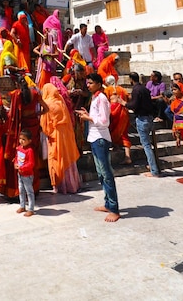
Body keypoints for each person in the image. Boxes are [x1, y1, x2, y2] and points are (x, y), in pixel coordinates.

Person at [75, 73, 120, 222]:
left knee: (106, 174)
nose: (88, 85)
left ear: (99, 84)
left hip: (101, 139)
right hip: (95, 138)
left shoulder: (101, 98)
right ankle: (108, 203)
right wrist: (88, 114)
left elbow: (105, 121)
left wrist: (89, 118)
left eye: (91, 83)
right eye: (87, 83)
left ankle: (114, 208)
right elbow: (97, 117)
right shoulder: (95, 97)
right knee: (101, 173)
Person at [4, 74, 49, 198]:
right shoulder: (35, 93)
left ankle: (17, 191)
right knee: (32, 157)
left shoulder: (16, 95)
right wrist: (36, 113)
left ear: (17, 85)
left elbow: (11, 112)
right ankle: (34, 188)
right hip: (33, 128)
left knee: (20, 156)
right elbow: (46, 109)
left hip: (21, 129)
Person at [40, 83, 81, 194]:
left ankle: (61, 186)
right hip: (66, 135)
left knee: (56, 159)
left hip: (55, 136)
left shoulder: (47, 104)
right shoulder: (60, 102)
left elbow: (45, 125)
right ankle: (73, 185)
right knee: (67, 157)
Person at [124, 72, 162, 178]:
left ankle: (154, 171)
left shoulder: (136, 90)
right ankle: (153, 165)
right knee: (150, 144)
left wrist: (124, 103)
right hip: (149, 118)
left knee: (146, 146)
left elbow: (134, 105)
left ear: (131, 79)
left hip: (142, 119)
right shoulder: (144, 88)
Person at [104, 75, 132, 165]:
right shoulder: (122, 89)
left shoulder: (107, 90)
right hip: (123, 112)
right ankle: (126, 155)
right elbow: (128, 98)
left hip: (113, 111)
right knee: (123, 133)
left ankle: (118, 148)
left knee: (112, 129)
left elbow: (106, 101)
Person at [14, 129, 36, 217]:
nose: (21, 141)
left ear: (29, 141)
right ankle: (22, 206)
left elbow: (31, 163)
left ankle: (31, 209)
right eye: (20, 139)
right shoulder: (19, 148)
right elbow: (17, 157)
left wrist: (22, 167)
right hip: (20, 174)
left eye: (24, 139)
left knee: (29, 192)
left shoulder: (29, 151)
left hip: (27, 175)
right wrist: (15, 164)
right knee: (21, 190)